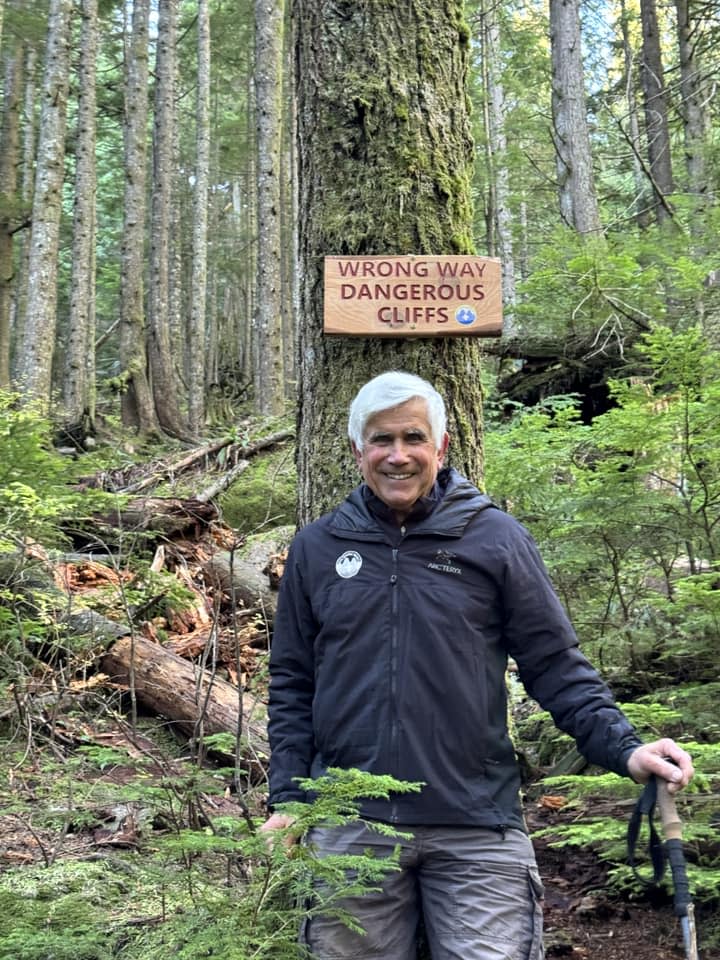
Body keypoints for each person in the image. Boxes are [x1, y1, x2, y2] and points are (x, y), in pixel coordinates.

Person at [262, 370, 694, 960]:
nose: (398, 456)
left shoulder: (495, 538)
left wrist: (626, 748)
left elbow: (554, 664)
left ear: (440, 447)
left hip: (475, 823)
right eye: (381, 440)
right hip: (351, 824)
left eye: (413, 438)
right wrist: (289, 798)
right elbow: (292, 683)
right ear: (357, 450)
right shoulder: (318, 547)